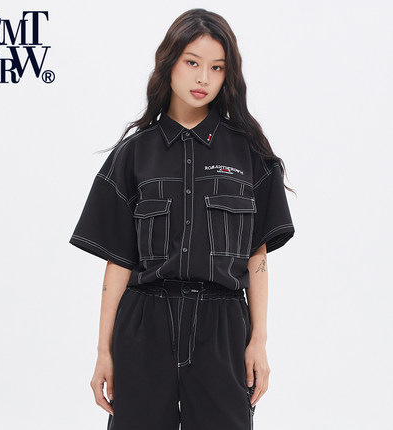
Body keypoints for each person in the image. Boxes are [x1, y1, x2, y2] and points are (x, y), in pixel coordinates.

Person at [69, 8, 295, 430]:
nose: (203, 78)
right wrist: (103, 350)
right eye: (192, 62)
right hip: (145, 324)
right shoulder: (133, 155)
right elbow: (118, 261)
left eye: (216, 67)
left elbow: (258, 256)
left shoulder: (250, 154)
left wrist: (259, 341)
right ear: (169, 62)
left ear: (228, 75)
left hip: (223, 326)